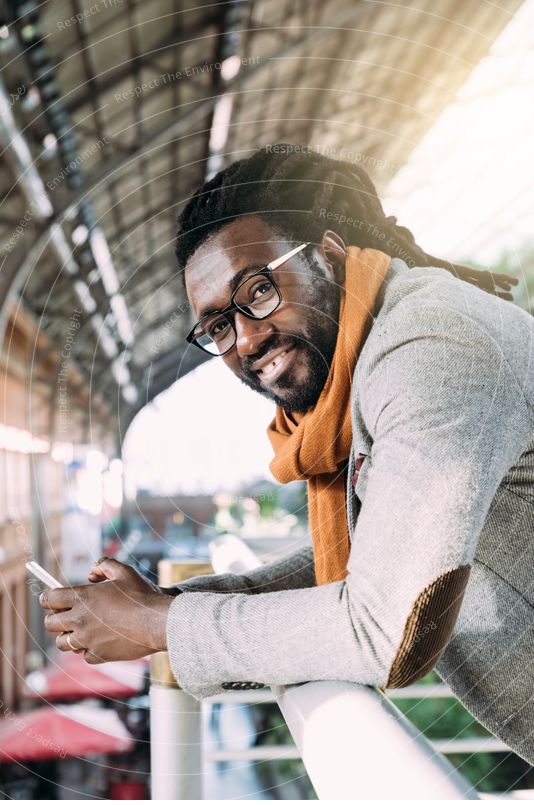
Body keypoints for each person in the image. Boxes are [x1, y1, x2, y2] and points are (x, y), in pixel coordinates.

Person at [40, 146, 534, 765]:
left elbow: (386, 629)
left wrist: (159, 627)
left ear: (328, 257)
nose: (247, 338)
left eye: (258, 290)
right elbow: (376, 545)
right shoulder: (375, 359)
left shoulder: (432, 349)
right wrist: (168, 608)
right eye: (218, 326)